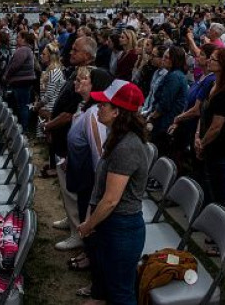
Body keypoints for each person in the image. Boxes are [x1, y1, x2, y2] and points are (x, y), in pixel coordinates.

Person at [77, 80, 148, 304]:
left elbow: (110, 200)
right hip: (111, 225)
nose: (97, 108)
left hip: (122, 228)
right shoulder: (116, 137)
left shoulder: (127, 147)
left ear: (117, 112)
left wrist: (88, 225)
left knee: (121, 293)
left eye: (103, 105)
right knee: (110, 283)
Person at [44, 36, 97, 251]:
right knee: (66, 188)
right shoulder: (77, 73)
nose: (70, 53)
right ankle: (71, 217)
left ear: (87, 55)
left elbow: (69, 113)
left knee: (73, 188)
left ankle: (78, 230)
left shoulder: (87, 77)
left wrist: (49, 126)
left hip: (70, 141)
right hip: (63, 138)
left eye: (75, 50)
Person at [195, 47, 225, 255]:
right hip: (208, 143)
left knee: (223, 193)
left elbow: (217, 126)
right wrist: (198, 136)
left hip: (220, 146)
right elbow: (203, 114)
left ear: (224, 64)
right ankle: (219, 233)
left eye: (214, 59)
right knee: (216, 191)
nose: (209, 61)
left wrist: (202, 143)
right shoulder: (213, 84)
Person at [65, 67, 112, 276]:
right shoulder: (89, 108)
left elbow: (98, 152)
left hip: (90, 178)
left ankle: (92, 258)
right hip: (83, 174)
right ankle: (88, 253)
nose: (82, 82)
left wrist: (97, 188)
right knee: (85, 213)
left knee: (89, 218)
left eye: (88, 80)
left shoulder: (95, 113)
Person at [147, 46, 188, 160]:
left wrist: (151, 117)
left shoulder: (174, 77)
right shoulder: (174, 74)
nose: (163, 59)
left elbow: (165, 103)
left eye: (166, 57)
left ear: (174, 60)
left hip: (165, 122)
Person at [3, 30, 37, 130]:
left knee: (23, 106)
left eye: (18, 37)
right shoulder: (27, 50)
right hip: (24, 82)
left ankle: (23, 128)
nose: (16, 39)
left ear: (23, 39)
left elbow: (14, 66)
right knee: (23, 105)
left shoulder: (23, 50)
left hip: (21, 82)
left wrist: (6, 75)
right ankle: (24, 127)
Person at [35, 41, 65, 140]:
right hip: (45, 108)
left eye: (44, 54)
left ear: (50, 57)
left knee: (48, 142)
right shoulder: (48, 70)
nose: (41, 56)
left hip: (50, 110)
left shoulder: (55, 71)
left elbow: (49, 94)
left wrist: (38, 105)